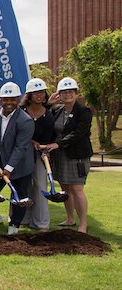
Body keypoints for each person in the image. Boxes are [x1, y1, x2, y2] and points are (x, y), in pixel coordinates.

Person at [0, 82, 35, 235]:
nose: (9, 103)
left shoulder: (25, 120)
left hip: (19, 165)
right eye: (5, 99)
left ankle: (14, 224)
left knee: (19, 195)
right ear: (0, 100)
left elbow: (21, 147)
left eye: (12, 99)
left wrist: (9, 168)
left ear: (18, 100)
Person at [44, 77, 93, 233]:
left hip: (77, 155)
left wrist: (59, 144)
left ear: (76, 93)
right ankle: (70, 218)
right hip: (60, 155)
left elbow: (79, 133)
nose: (67, 95)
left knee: (77, 189)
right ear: (59, 94)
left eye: (70, 92)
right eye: (64, 92)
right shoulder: (57, 110)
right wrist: (49, 103)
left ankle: (83, 223)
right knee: (65, 188)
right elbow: (42, 115)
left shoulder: (84, 111)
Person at [20, 78, 56, 231]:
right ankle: (23, 218)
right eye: (35, 93)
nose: (39, 95)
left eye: (41, 92)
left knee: (41, 186)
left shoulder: (48, 114)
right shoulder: (21, 112)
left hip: (40, 155)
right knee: (24, 186)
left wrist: (45, 152)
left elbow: (49, 137)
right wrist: (30, 141)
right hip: (23, 155)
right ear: (29, 95)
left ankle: (41, 223)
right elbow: (16, 133)